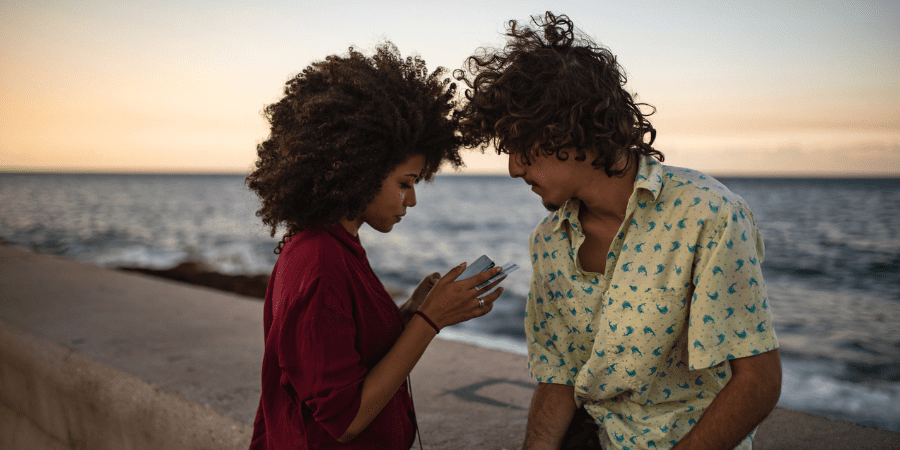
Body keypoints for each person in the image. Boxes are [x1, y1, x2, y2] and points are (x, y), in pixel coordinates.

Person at [456, 12, 781, 450]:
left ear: (569, 131)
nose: (514, 169)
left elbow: (757, 383)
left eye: (521, 146)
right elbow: (559, 379)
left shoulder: (708, 213)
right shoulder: (550, 241)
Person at [246, 42, 506, 449]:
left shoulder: (336, 245)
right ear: (359, 169)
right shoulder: (318, 261)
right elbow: (345, 420)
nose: (412, 200)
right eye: (405, 184)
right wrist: (430, 321)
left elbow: (350, 354)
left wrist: (411, 312)